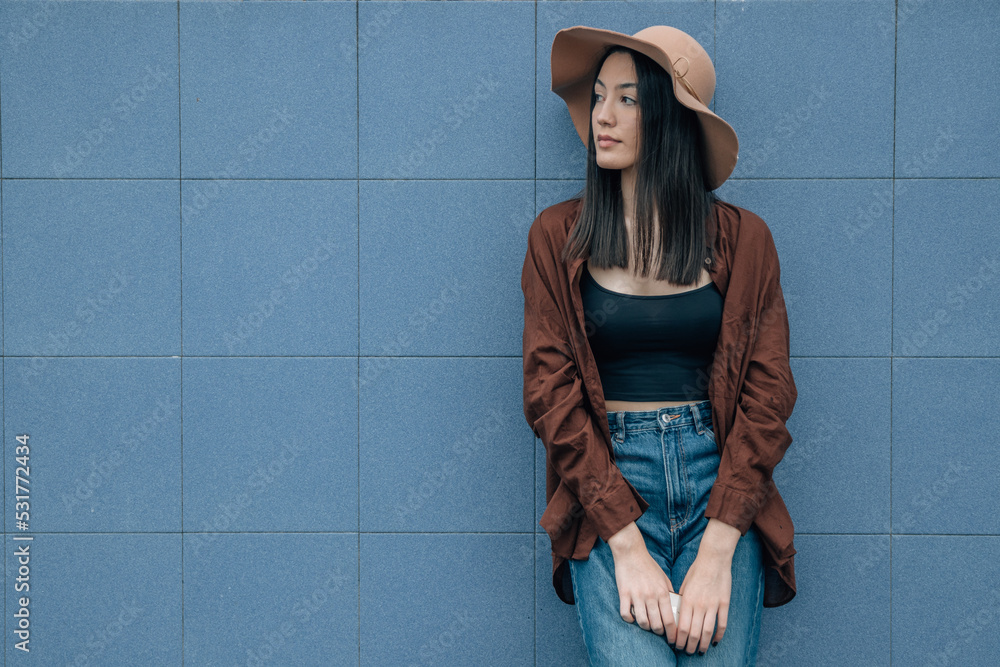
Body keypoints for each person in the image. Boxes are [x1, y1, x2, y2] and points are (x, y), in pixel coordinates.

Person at [522, 26, 799, 665]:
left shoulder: (743, 240)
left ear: (672, 118)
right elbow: (548, 393)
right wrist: (624, 542)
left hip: (721, 485)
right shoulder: (556, 237)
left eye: (628, 99)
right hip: (607, 482)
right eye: (596, 97)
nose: (602, 118)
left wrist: (720, 548)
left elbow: (768, 394)